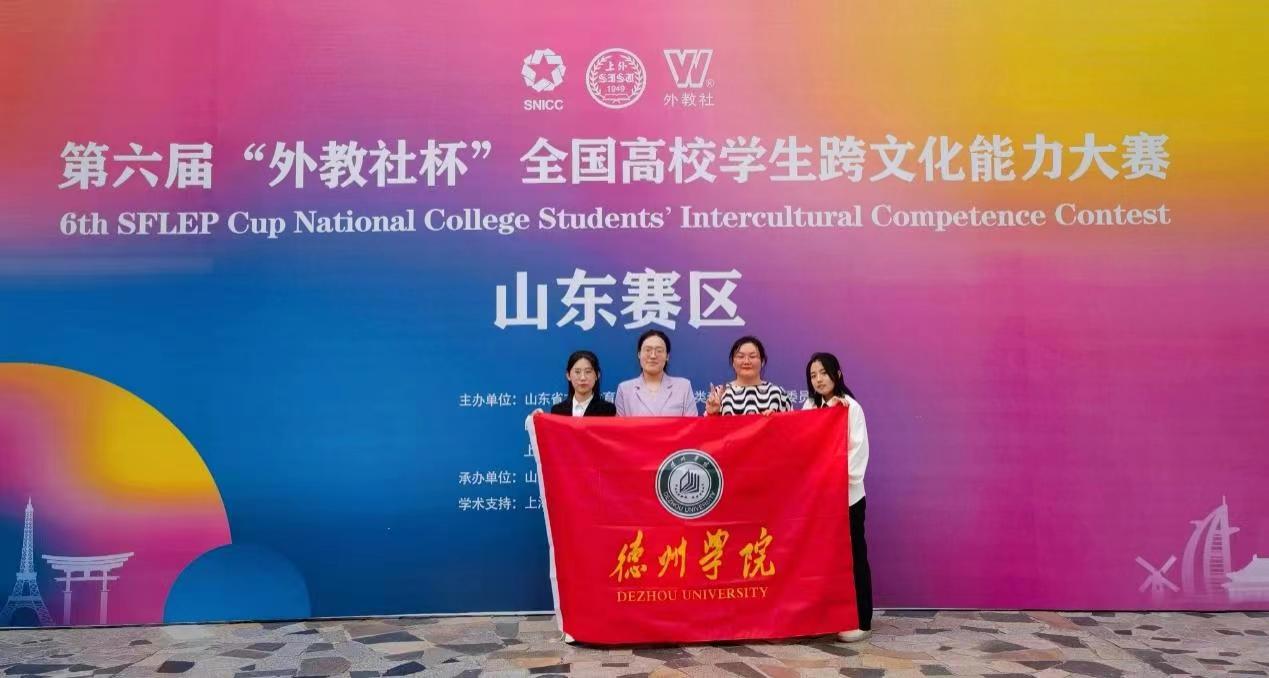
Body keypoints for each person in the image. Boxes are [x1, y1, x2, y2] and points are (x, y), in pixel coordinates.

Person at [804, 351, 872, 642]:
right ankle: (827, 617)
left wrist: (833, 479)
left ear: (838, 374)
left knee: (854, 556)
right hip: (819, 500)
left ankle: (862, 621)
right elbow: (801, 444)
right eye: (813, 375)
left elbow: (858, 453)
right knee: (823, 558)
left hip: (847, 497)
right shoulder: (810, 406)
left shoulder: (850, 408)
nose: (819, 379)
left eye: (823, 373)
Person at [614, 330, 699, 416]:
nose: (653, 356)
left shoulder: (683, 387)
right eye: (648, 350)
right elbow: (618, 424)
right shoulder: (624, 390)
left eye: (659, 351)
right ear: (639, 354)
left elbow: (693, 423)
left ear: (667, 356)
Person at [704, 335, 792, 415]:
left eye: (752, 356)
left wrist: (775, 420)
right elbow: (707, 426)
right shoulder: (720, 392)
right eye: (740, 356)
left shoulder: (777, 393)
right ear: (733, 362)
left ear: (762, 361)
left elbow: (791, 425)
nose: (746, 361)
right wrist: (712, 414)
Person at [549, 350, 616, 416]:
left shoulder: (608, 410)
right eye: (577, 372)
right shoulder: (557, 411)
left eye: (588, 371)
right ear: (568, 375)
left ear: (597, 375)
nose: (582, 378)